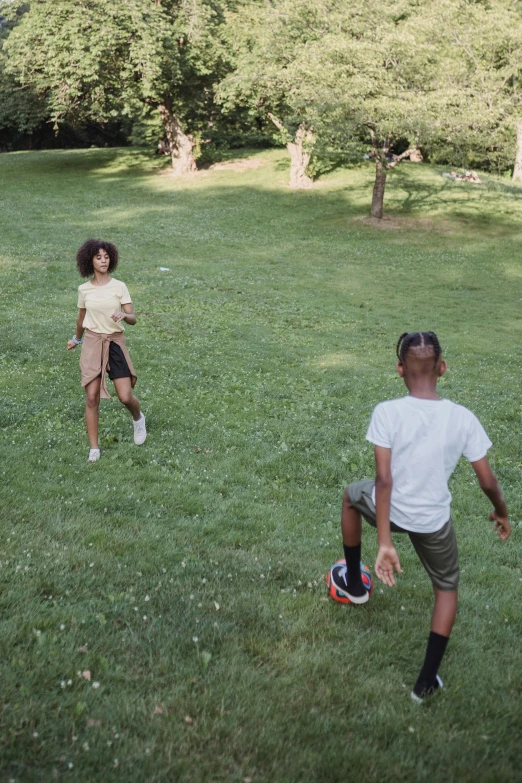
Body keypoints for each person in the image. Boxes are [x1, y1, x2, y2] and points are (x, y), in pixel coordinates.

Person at [330, 331, 510, 701]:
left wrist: (385, 541)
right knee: (446, 590)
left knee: (351, 497)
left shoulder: (387, 411)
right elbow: (488, 480)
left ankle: (354, 584)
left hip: (390, 509)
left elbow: (382, 480)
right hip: (433, 522)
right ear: (442, 369)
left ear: (399, 370)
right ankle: (425, 683)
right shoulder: (463, 418)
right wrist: (502, 511)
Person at [67, 239, 146, 462]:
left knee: (125, 396)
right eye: (98, 257)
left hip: (114, 342)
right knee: (91, 397)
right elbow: (81, 318)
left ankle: (138, 419)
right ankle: (94, 448)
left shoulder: (119, 286)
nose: (103, 261)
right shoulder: (84, 289)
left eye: (106, 257)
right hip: (92, 343)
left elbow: (133, 319)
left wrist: (124, 315)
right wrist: (77, 339)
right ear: (89, 261)